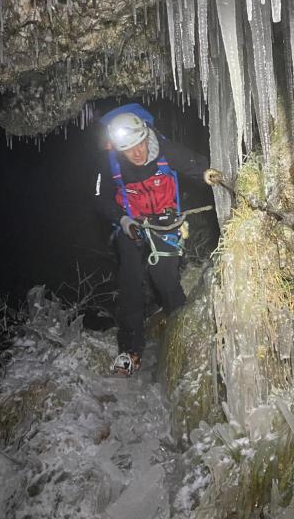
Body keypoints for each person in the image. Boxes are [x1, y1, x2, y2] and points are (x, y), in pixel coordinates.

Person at [93, 106, 223, 376]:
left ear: (146, 136)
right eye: (129, 150)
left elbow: (193, 163)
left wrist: (206, 173)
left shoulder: (164, 150)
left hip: (165, 223)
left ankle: (183, 335)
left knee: (165, 278)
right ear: (119, 150)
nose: (137, 153)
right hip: (131, 225)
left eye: (140, 144)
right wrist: (124, 221)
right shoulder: (110, 165)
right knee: (130, 281)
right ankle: (130, 350)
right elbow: (100, 198)